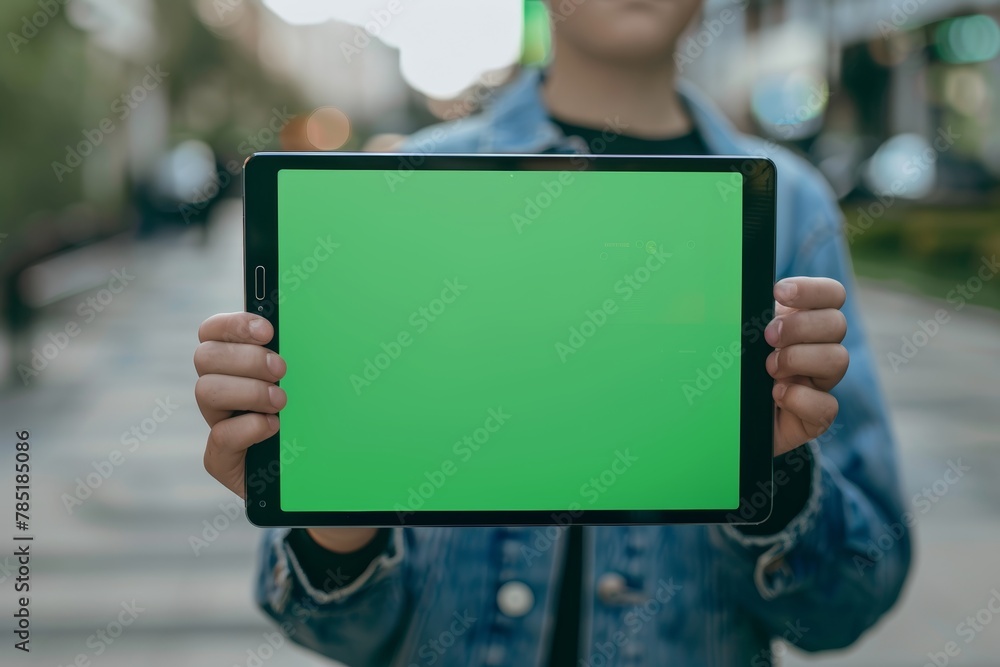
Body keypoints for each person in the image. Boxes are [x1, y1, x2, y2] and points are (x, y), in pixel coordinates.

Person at [193, 1, 910, 665]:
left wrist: (775, 475)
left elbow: (847, 604)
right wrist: (333, 513)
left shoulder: (788, 205)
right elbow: (337, 629)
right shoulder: (409, 186)